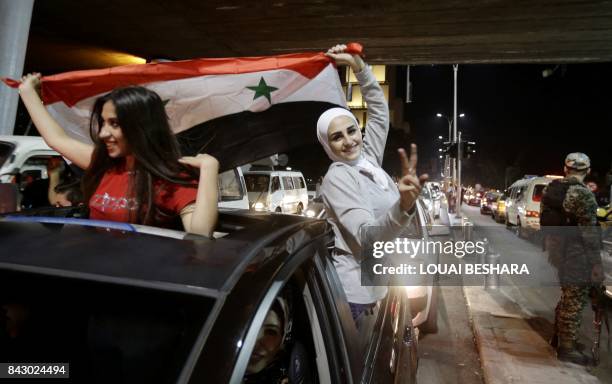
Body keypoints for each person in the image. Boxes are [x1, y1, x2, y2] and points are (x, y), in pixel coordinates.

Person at [18, 73, 218, 236]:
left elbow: (200, 233)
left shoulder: (171, 179)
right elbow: (57, 139)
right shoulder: (105, 165)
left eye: (114, 124)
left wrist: (209, 169)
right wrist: (28, 93)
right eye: (103, 123)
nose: (103, 133)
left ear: (141, 127)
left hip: (134, 279)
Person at [317, 44, 427, 326]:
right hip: (356, 297)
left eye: (352, 130)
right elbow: (369, 237)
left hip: (379, 285)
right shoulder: (339, 176)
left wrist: (359, 68)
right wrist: (403, 207)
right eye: (337, 137)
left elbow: (379, 112)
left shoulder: (368, 162)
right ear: (327, 146)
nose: (348, 140)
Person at [540, 152, 603, 364]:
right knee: (574, 299)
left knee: (568, 295)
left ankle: (559, 337)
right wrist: (596, 263)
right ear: (588, 171)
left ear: (565, 169)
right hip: (577, 254)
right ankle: (566, 348)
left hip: (558, 252)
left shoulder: (552, 189)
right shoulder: (583, 194)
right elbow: (589, 232)